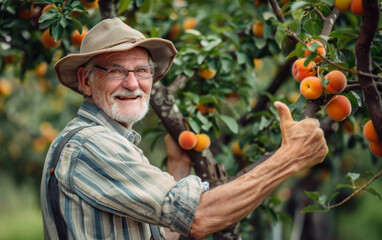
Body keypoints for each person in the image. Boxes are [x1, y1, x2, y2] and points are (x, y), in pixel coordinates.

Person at [40, 17, 328, 239]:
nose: (132, 84)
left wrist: (178, 165)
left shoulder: (116, 144)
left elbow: (167, 227)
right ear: (86, 81)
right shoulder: (91, 145)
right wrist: (289, 158)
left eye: (142, 70)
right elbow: (198, 217)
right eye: (116, 70)